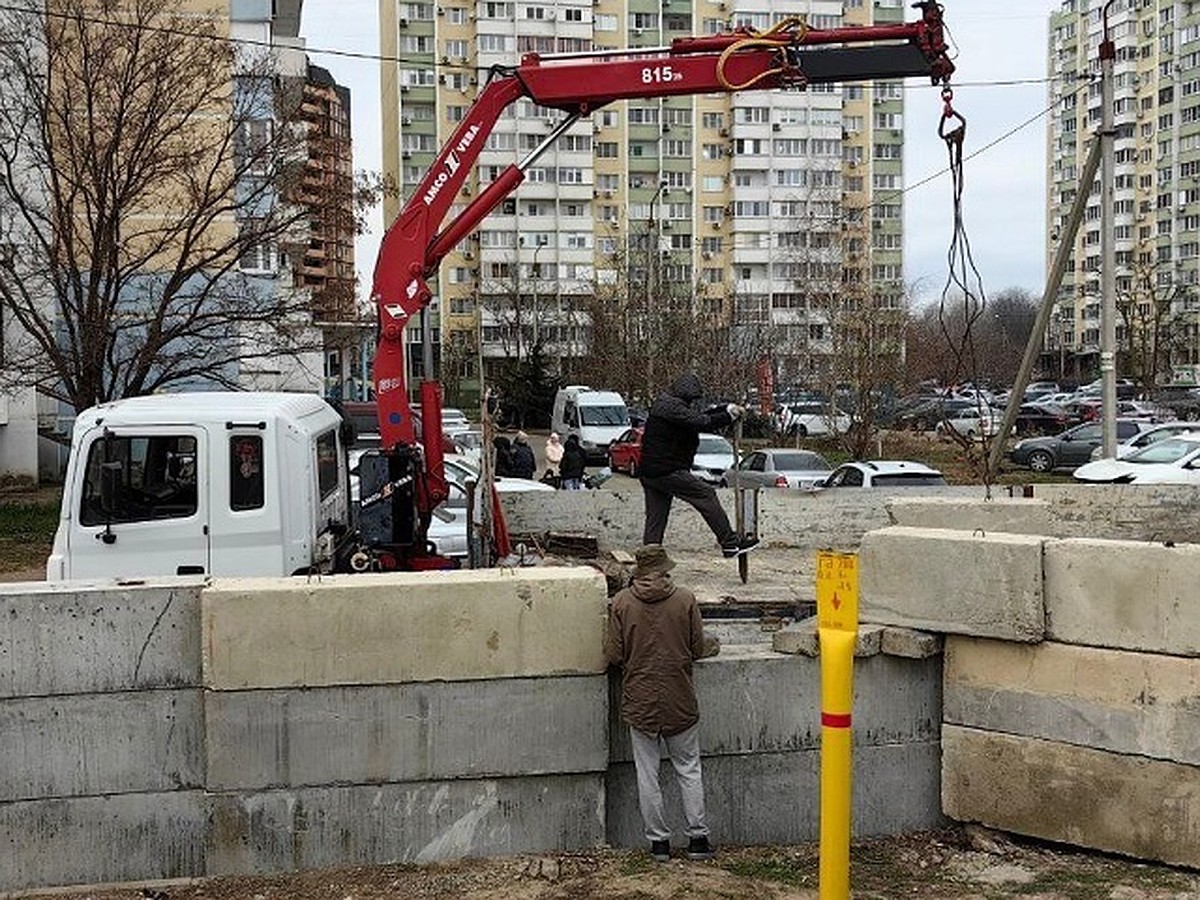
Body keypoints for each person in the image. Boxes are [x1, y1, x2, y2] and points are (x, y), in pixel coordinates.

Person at [604, 543, 720, 862]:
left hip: (640, 701)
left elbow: (613, 655)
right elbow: (697, 648)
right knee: (688, 769)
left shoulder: (622, 602)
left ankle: (659, 844)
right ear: (665, 570)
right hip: (680, 697)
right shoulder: (685, 599)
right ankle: (698, 838)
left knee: (647, 774)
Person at [639, 372, 757, 557]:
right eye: (691, 399)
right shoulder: (672, 408)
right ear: (684, 394)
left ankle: (648, 567)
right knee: (705, 494)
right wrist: (727, 416)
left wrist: (726, 409)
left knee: (656, 521)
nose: (692, 402)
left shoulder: (667, 405)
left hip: (651, 473)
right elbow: (702, 422)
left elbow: (697, 416)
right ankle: (730, 543)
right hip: (667, 470)